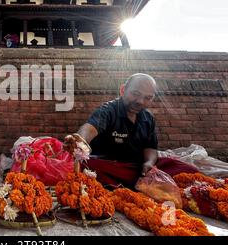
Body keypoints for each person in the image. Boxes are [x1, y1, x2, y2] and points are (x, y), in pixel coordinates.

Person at [68, 73, 198, 188]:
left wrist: (149, 163)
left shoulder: (148, 118)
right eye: (135, 94)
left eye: (148, 98)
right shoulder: (108, 111)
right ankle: (135, 185)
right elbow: (90, 128)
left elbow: (151, 148)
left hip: (139, 168)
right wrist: (80, 141)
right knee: (88, 168)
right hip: (110, 166)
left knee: (187, 169)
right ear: (123, 90)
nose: (140, 101)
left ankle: (136, 183)